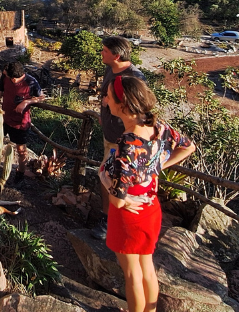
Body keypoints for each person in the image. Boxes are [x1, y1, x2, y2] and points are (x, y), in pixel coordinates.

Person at [100, 75, 195, 312]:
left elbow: (117, 200)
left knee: (132, 273)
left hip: (130, 213)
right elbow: (189, 146)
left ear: (123, 106)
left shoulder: (128, 144)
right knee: (147, 267)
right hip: (151, 206)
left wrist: (104, 178)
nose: (105, 100)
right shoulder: (159, 127)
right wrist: (158, 165)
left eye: (109, 96)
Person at [94, 35, 147, 240]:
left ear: (116, 55)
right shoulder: (110, 70)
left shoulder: (134, 77)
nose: (102, 53)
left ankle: (111, 222)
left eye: (105, 51)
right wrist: (103, 111)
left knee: (113, 179)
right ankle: (108, 218)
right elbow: (106, 96)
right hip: (110, 134)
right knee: (106, 176)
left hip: (123, 139)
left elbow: (140, 110)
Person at [0, 61, 45, 185]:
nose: (5, 76)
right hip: (3, 119)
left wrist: (26, 102)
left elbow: (41, 97)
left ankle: (20, 173)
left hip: (20, 123)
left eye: (8, 76)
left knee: (21, 151)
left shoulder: (31, 82)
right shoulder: (5, 76)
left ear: (14, 78)